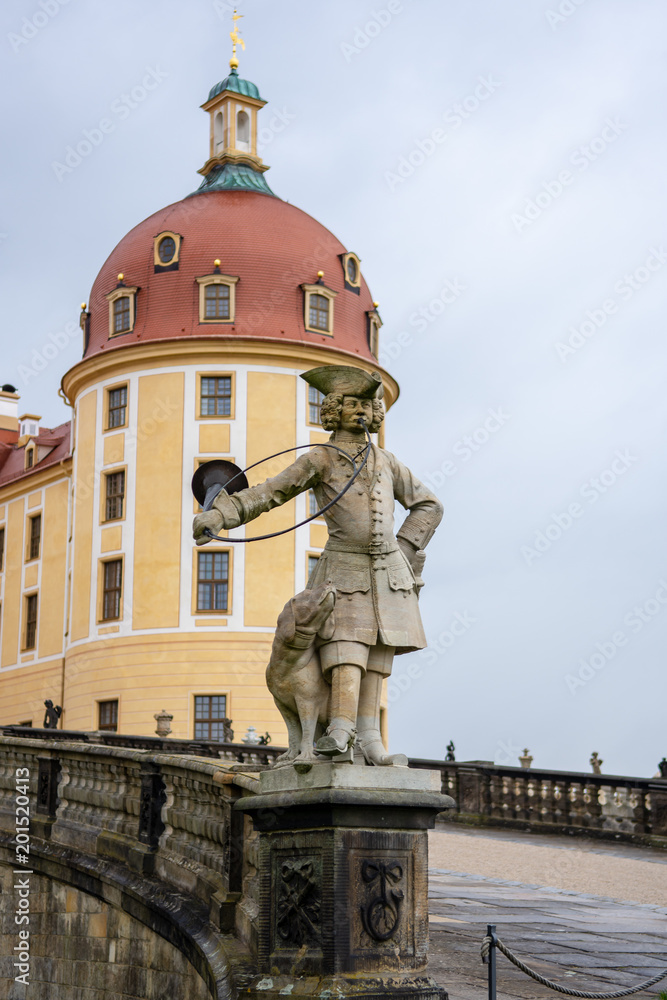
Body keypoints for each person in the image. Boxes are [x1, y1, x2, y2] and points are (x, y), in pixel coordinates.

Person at [193, 365, 443, 766]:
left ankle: (370, 738)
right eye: (351, 404)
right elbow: (273, 491)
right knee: (348, 648)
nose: (360, 412)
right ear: (332, 411)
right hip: (344, 567)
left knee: (379, 653)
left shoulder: (388, 461)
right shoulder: (322, 458)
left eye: (366, 404)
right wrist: (222, 515)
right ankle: (340, 728)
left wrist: (406, 548)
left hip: (388, 571)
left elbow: (430, 505)